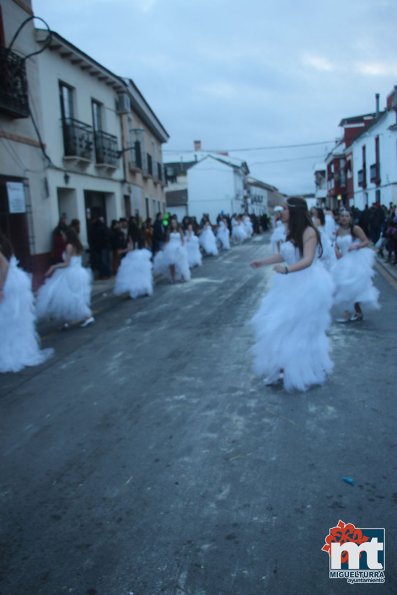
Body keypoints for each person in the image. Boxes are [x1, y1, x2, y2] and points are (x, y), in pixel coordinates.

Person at [250, 196, 334, 392]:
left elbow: (308, 259)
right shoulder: (291, 231)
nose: (282, 213)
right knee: (281, 326)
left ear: (294, 211)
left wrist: (286, 270)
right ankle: (283, 365)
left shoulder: (309, 231)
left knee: (299, 329)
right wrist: (262, 262)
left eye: (285, 209)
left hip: (306, 285)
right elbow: (285, 254)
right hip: (289, 285)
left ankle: (299, 367)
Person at [0, 232, 53, 373]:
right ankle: (21, 351)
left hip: (8, 284)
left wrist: (0, 288)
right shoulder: (5, 245)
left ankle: (10, 355)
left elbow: (3, 266)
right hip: (17, 282)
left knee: (6, 322)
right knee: (16, 321)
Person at [36, 228, 95, 329]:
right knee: (72, 297)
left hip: (70, 273)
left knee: (70, 297)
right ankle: (69, 320)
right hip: (79, 272)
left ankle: (87, 317)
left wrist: (54, 266)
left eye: (63, 235)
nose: (62, 237)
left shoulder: (69, 246)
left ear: (67, 235)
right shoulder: (77, 245)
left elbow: (67, 264)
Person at [332, 209, 379, 323]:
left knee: (352, 285)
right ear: (339, 218)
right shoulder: (337, 230)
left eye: (346, 216)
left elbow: (366, 241)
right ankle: (347, 312)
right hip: (343, 261)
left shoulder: (355, 229)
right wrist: (336, 250)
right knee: (343, 286)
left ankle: (357, 311)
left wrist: (356, 246)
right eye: (342, 216)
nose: (344, 218)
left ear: (350, 218)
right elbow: (336, 244)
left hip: (354, 259)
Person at [153, 217, 191, 282]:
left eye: (174, 223)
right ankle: (173, 278)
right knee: (172, 263)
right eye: (172, 223)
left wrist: (182, 247)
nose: (173, 224)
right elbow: (167, 240)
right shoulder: (168, 231)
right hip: (171, 248)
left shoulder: (179, 230)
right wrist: (163, 248)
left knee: (180, 263)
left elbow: (182, 239)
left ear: (176, 223)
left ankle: (182, 276)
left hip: (178, 247)